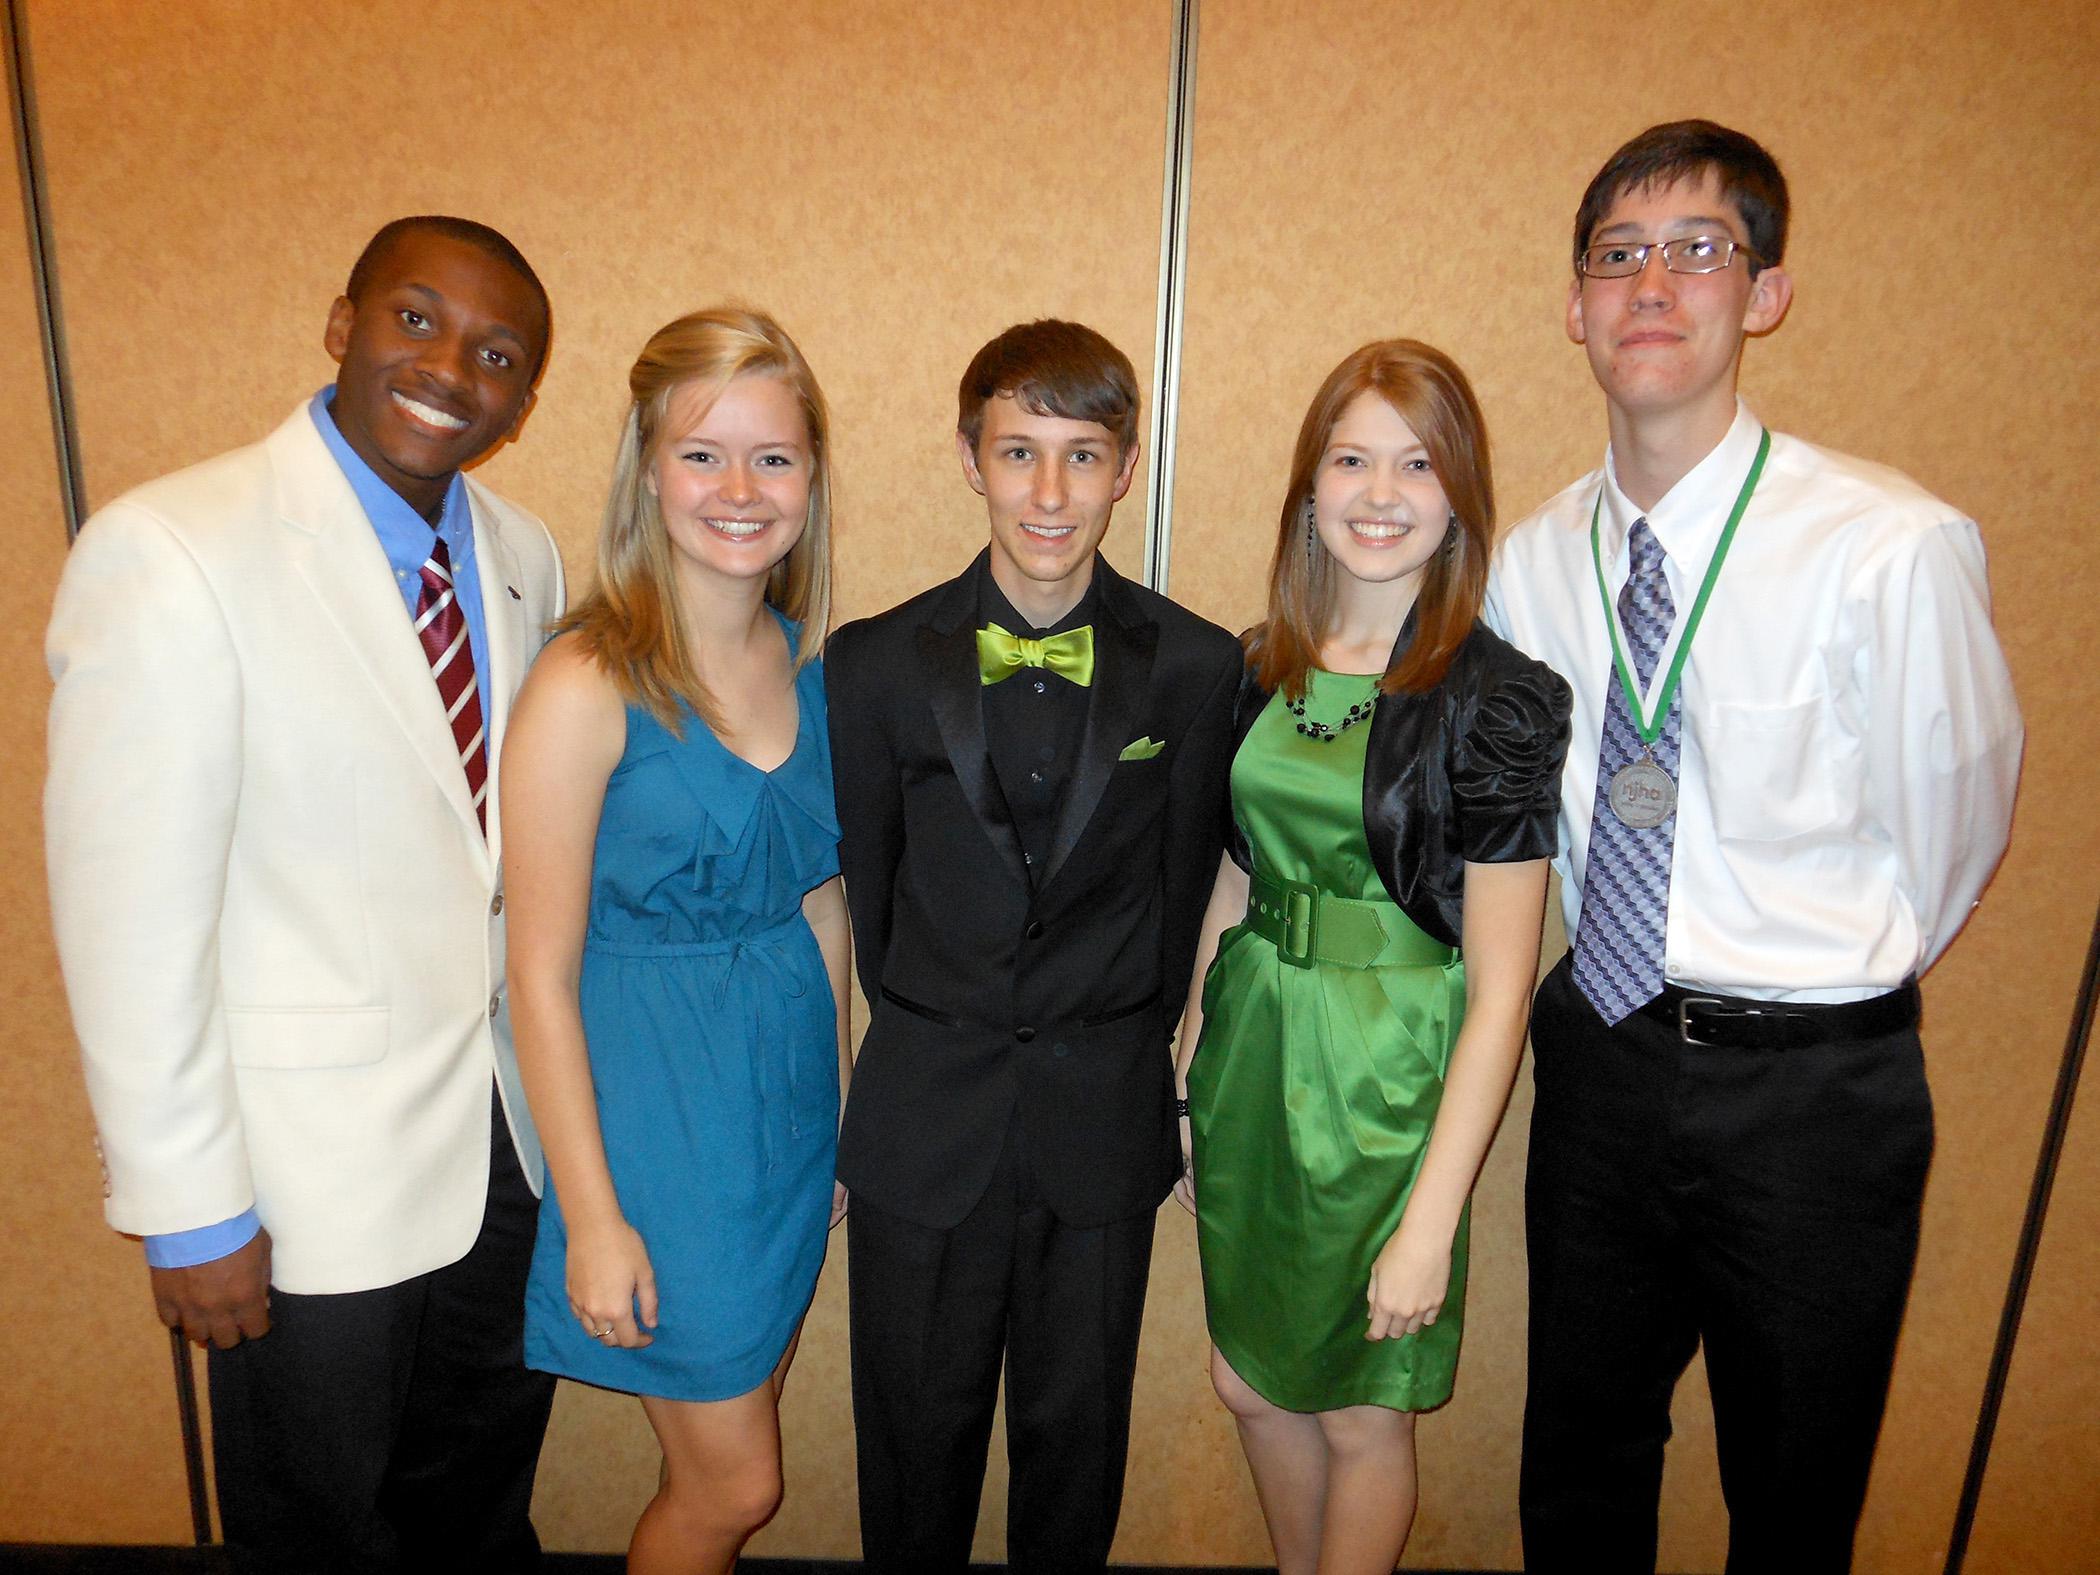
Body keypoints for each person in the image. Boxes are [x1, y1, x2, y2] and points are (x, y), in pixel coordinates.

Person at [1485, 120, 2024, 1573]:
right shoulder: (1534, 560)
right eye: (1617, 255)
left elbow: (1955, 830)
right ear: (1576, 305)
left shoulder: (1887, 544)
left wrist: (1816, 980)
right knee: (1579, 1462)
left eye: (1697, 250)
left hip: (1813, 1097)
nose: (1651, 285)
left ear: (1764, 293)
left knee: (1794, 1487)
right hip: (1600, 1065)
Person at [45, 216, 563, 1571]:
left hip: (501, 1150)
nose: (452, 366)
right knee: (316, 1527)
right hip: (300, 1184)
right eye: (416, 319)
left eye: (497, 352)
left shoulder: (524, 553)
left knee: (474, 1503)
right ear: (343, 322)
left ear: (520, 399)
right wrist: (188, 1200)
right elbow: (127, 914)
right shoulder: (175, 546)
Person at [825, 319, 1242, 1573]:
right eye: (1018, 452)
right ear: (970, 459)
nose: (1048, 493)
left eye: (1081, 455)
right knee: (912, 1452)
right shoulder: (873, 662)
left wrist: (1143, 1062)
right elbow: (873, 893)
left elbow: (1179, 901)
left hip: (1099, 1117)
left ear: (1125, 471)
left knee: (1076, 1456)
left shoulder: (1199, 667)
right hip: (924, 1118)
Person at [1176, 340, 1572, 1574]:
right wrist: (1191, 1051)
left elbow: (1505, 985)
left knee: (1360, 1403)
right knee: (1249, 1385)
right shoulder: (1258, 666)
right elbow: (1237, 869)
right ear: (1309, 486)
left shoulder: (1496, 697)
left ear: (1460, 494)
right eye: (1351, 459)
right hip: (1255, 1046)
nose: (1381, 492)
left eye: (1417, 463)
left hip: (1387, 1080)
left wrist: (1432, 1219)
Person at [501, 306, 850, 1575]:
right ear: (648, 467)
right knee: (735, 1485)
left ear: (812, 476)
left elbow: (822, 904)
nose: (740, 489)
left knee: (723, 1450)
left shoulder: (812, 671)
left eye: (775, 456)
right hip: (654, 1131)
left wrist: (842, 1122)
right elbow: (534, 973)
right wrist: (593, 1217)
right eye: (703, 453)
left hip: (783, 1121)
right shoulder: (585, 683)